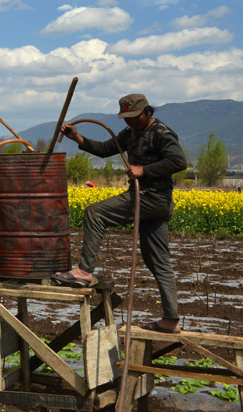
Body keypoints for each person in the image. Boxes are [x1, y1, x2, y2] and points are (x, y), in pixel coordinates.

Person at [54, 93, 188, 334]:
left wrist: (144, 170)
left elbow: (179, 162)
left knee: (95, 213)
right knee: (158, 262)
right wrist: (78, 138)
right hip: (150, 203)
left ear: (147, 112)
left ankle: (84, 271)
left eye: (134, 117)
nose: (130, 122)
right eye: (126, 118)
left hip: (151, 198)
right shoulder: (131, 132)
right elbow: (106, 149)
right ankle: (171, 319)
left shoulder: (161, 133)